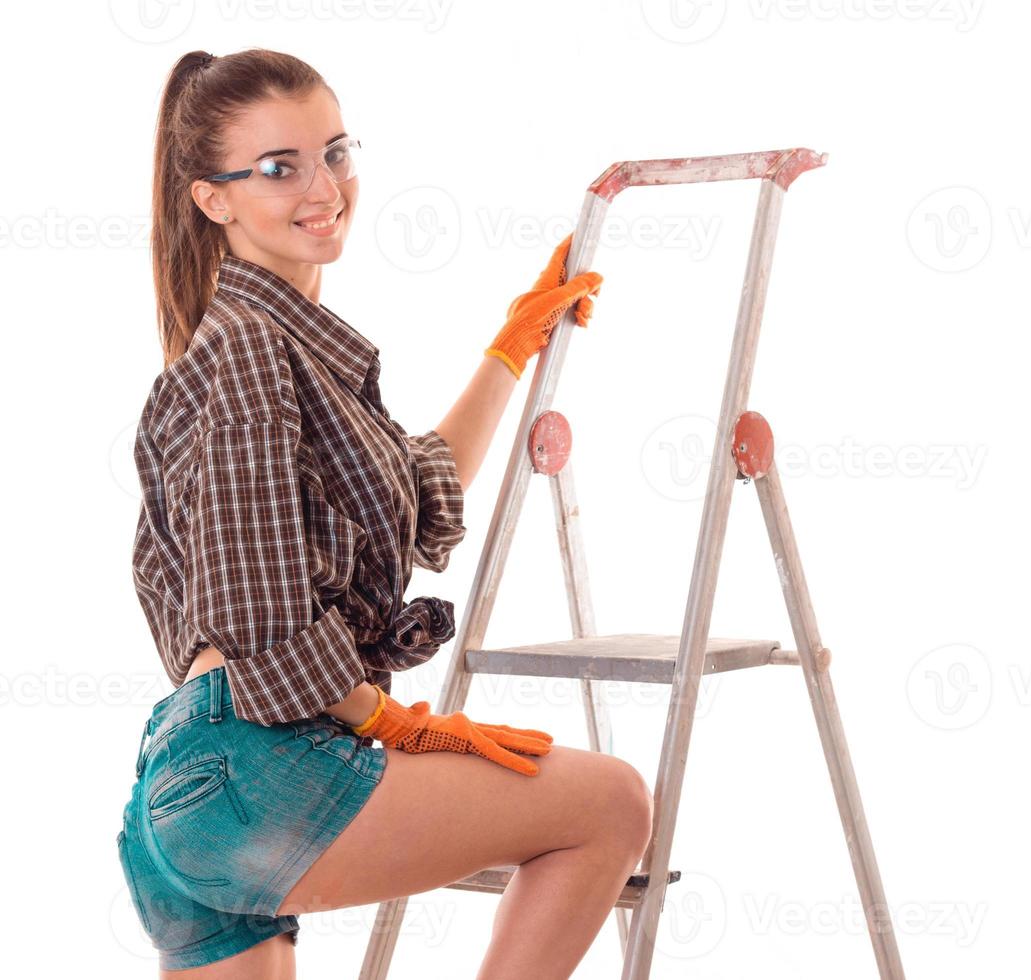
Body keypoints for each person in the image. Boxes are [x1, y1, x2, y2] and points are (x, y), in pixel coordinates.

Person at [116, 47, 653, 980]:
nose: (325, 187)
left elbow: (418, 490)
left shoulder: (269, 353)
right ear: (214, 199)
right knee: (608, 806)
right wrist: (397, 723)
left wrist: (511, 347)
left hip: (182, 792)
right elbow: (259, 621)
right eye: (279, 168)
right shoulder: (248, 354)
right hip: (255, 767)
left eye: (335, 151)